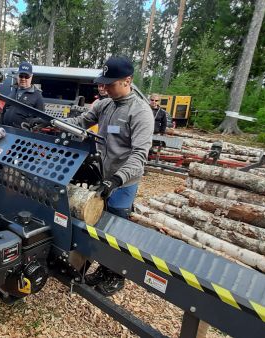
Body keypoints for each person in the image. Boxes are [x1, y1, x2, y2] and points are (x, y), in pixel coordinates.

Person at [65, 56, 154, 296]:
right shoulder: (105, 105)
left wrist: (115, 180)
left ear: (127, 81)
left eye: (110, 84)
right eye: (103, 83)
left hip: (123, 183)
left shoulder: (141, 112)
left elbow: (139, 157)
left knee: (117, 229)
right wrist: (53, 123)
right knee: (97, 225)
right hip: (103, 177)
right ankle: (100, 267)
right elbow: (81, 121)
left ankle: (116, 275)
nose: (104, 88)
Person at [0, 61, 45, 128]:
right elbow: (4, 111)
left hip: (22, 135)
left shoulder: (37, 96)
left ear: (31, 77)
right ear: (17, 76)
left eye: (26, 76)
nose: (23, 79)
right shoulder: (13, 91)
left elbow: (41, 120)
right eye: (21, 76)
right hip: (6, 131)